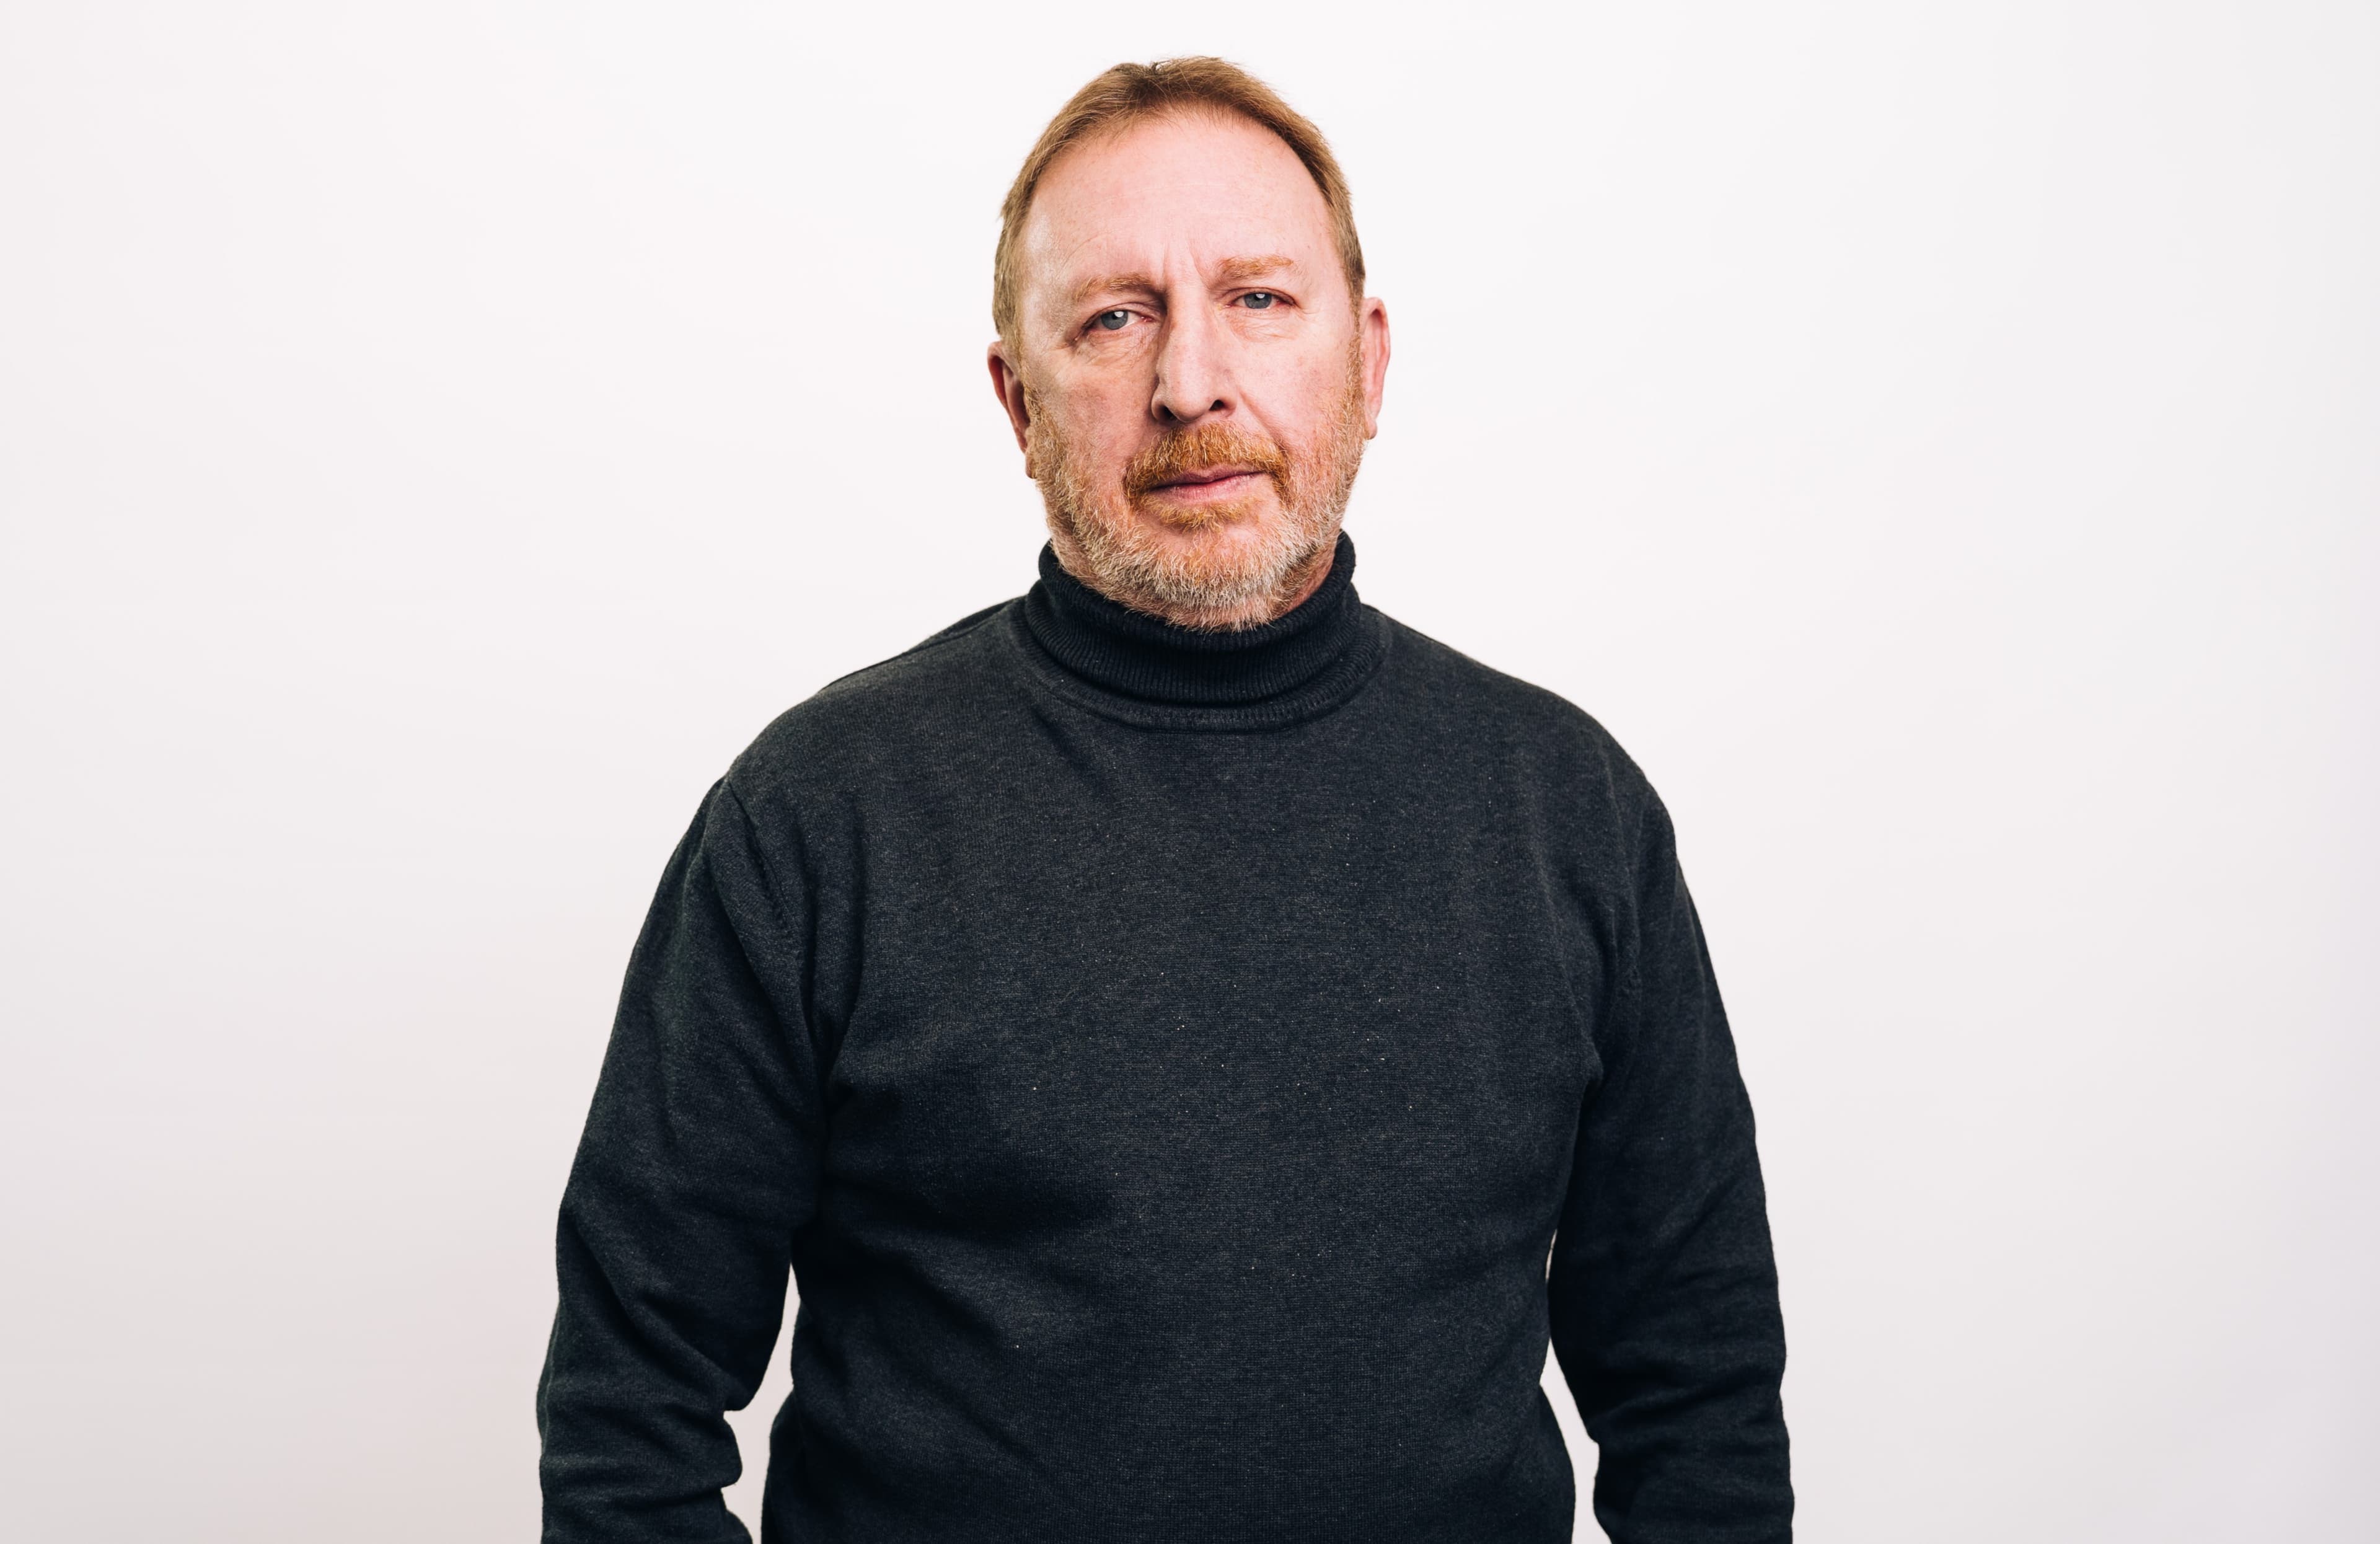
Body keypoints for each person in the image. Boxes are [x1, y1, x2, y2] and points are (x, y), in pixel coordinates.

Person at [536, 56, 1791, 1544]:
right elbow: (628, 1417)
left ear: (1369, 363)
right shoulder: (815, 818)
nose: (1192, 383)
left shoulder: (1568, 813)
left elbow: (1699, 1405)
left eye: (1258, 297)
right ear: (1017, 402)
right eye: (1114, 318)